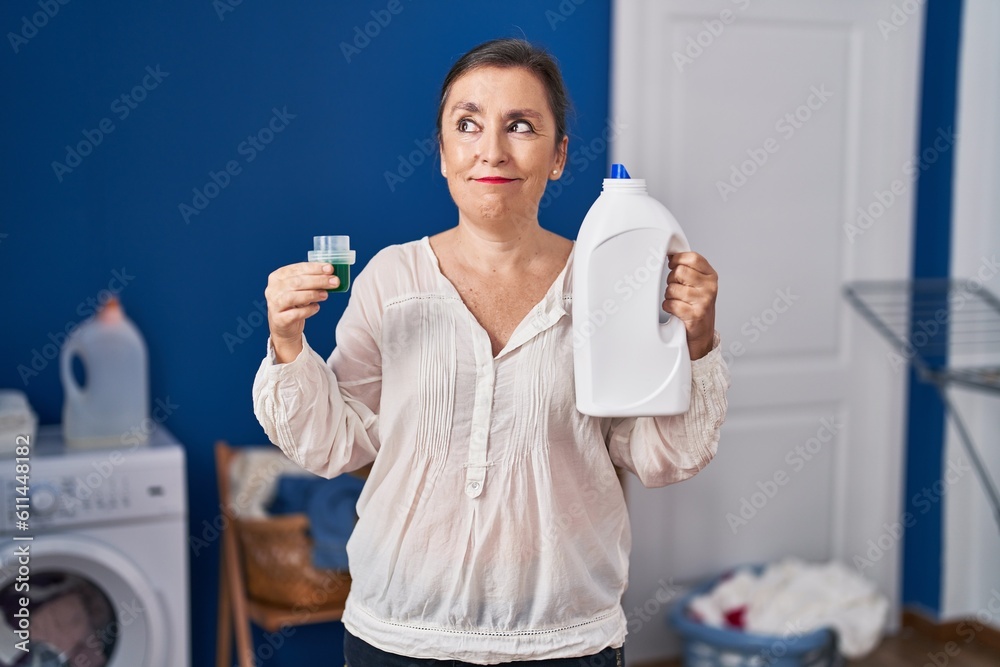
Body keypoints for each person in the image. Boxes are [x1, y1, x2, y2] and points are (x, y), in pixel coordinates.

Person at [253, 38, 731, 667]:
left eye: (521, 126)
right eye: (468, 124)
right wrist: (288, 343)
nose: (492, 150)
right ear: (444, 152)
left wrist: (697, 341)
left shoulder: (610, 283)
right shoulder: (390, 281)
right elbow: (337, 444)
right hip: (399, 635)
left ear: (559, 156)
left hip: (565, 640)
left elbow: (661, 455)